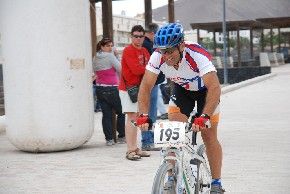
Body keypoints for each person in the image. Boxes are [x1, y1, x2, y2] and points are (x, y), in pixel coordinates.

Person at [136, 23, 225, 193]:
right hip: (182, 91)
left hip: (206, 93)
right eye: (163, 51)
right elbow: (146, 86)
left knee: (208, 136)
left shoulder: (197, 55)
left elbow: (215, 88)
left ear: (181, 45)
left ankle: (216, 183)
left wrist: (204, 116)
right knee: (172, 133)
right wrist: (143, 114)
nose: (166, 56)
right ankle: (171, 177)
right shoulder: (157, 56)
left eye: (170, 51)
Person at [119, 25, 151, 160]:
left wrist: (146, 69)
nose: (138, 39)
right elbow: (137, 70)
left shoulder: (144, 50)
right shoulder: (128, 50)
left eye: (140, 36)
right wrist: (147, 69)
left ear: (144, 37)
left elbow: (150, 67)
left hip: (140, 89)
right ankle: (130, 150)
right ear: (131, 37)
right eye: (135, 36)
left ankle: (135, 148)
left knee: (137, 118)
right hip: (128, 89)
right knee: (131, 118)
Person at [93, 38, 125, 146]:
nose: (110, 48)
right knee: (121, 112)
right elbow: (120, 68)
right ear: (102, 46)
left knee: (106, 115)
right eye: (108, 46)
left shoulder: (95, 57)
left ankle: (109, 139)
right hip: (112, 88)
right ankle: (121, 136)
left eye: (111, 45)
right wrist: (116, 56)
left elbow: (94, 71)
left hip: (100, 88)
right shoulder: (111, 56)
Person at [141, 23, 165, 151]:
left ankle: (150, 138)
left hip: (154, 82)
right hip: (151, 83)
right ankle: (147, 141)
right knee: (149, 113)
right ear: (152, 33)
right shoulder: (147, 46)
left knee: (151, 113)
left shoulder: (149, 45)